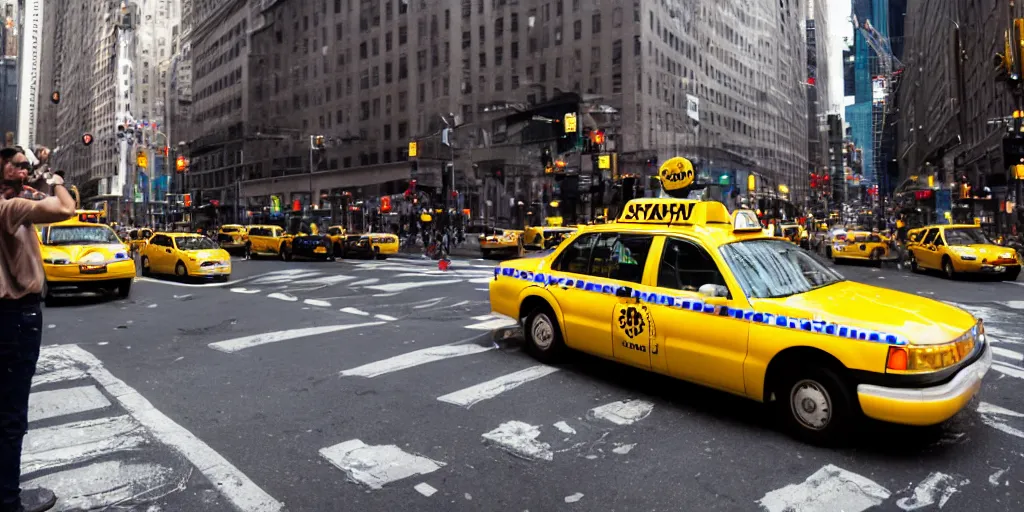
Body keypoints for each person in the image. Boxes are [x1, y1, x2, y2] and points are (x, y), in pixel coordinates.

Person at [1, 146, 78, 512]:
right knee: (11, 414)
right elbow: (65, 207)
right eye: (17, 166)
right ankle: (8, 500)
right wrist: (54, 179)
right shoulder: (9, 209)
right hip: (17, 316)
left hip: (8, 316)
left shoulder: (13, 204)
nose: (24, 171)